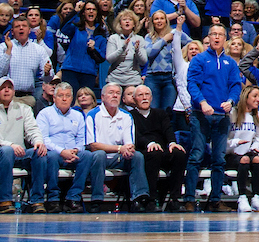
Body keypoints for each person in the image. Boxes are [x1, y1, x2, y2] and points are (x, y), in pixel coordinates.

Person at [184, 24, 244, 213]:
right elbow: (192, 84)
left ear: (225, 38)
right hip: (201, 115)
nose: (217, 37)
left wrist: (232, 101)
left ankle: (215, 200)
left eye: (220, 34)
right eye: (214, 34)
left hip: (222, 116)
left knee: (219, 159)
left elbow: (236, 85)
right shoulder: (199, 59)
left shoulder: (230, 63)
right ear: (208, 37)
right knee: (196, 156)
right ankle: (189, 199)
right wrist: (202, 102)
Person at [36, 82, 105, 213]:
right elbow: (44, 139)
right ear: (54, 98)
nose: (64, 99)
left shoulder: (77, 115)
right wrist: (62, 152)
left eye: (67, 96)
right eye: (61, 95)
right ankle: (53, 199)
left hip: (73, 154)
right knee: (51, 155)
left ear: (72, 98)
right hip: (54, 154)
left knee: (87, 155)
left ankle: (73, 197)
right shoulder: (45, 114)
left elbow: (81, 140)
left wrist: (76, 150)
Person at [84, 82, 151, 212]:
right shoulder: (93, 115)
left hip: (119, 158)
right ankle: (96, 200)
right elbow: (93, 146)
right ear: (102, 97)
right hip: (99, 157)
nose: (114, 95)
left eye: (117, 93)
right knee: (99, 155)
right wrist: (120, 149)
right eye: (111, 93)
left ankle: (139, 198)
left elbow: (129, 144)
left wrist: (127, 149)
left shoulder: (126, 116)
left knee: (137, 156)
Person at [130, 83, 187, 211]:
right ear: (134, 99)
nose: (144, 98)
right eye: (140, 95)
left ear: (151, 97)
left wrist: (172, 142)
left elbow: (168, 129)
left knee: (179, 153)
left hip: (161, 150)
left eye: (147, 95)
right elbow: (134, 135)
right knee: (154, 154)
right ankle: (151, 199)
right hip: (143, 150)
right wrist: (149, 143)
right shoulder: (130, 116)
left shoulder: (160, 113)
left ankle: (174, 198)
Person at [0, 75, 49, 213]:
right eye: (3, 88)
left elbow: (32, 129)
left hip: (18, 153)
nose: (6, 90)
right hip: (3, 152)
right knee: (7, 151)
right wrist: (10, 145)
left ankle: (37, 201)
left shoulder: (24, 109)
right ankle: (4, 200)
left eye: (9, 88)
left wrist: (38, 141)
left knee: (39, 152)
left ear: (14, 91)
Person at [226, 85, 259, 212]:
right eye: (255, 96)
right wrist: (236, 142)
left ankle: (256, 197)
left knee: (258, 160)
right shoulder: (232, 114)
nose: (258, 99)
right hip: (232, 153)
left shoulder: (258, 116)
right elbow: (223, 140)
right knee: (244, 159)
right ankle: (242, 197)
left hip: (248, 153)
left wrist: (255, 147)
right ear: (246, 97)